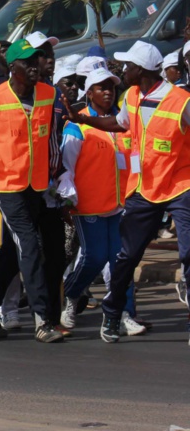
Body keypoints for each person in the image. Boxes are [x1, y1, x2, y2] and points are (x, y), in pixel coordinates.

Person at [63, 41, 190, 343]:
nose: (123, 69)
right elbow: (118, 125)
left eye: (128, 65)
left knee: (188, 253)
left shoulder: (181, 100)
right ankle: (113, 310)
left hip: (180, 186)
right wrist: (83, 119)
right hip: (144, 188)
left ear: (143, 70)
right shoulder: (131, 95)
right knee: (127, 257)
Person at [0, 38, 64, 343]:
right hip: (4, 185)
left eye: (37, 60)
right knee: (30, 244)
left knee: (13, 252)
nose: (36, 66)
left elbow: (49, 135)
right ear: (13, 68)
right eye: (29, 61)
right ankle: (42, 319)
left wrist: (52, 170)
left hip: (35, 184)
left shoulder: (48, 94)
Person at [57, 67, 144, 336]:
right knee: (94, 258)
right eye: (101, 88)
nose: (108, 92)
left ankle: (124, 313)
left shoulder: (124, 122)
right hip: (89, 204)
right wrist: (67, 199)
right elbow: (66, 166)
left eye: (111, 87)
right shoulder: (77, 124)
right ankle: (71, 296)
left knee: (122, 261)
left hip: (121, 204)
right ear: (90, 93)